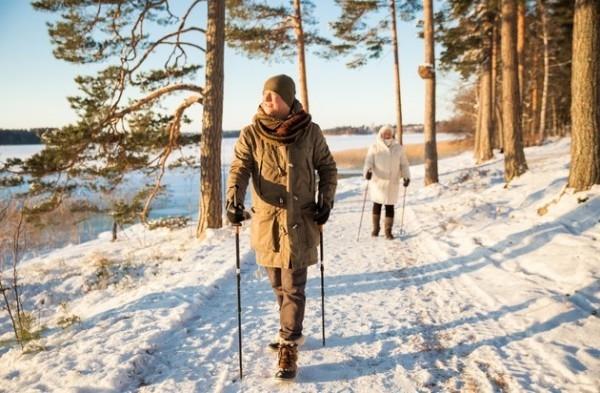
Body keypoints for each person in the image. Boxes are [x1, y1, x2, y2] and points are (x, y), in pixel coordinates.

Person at [226, 74, 337, 380]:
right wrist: (233, 201)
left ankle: (289, 343)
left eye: (273, 95)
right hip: (267, 223)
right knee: (277, 284)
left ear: (288, 99)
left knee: (294, 285)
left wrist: (325, 201)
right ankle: (288, 327)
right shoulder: (251, 133)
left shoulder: (310, 132)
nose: (267, 99)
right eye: (264, 94)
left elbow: (327, 168)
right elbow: (239, 168)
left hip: (300, 221)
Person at [363, 125, 411, 239]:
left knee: (390, 206)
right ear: (381, 134)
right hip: (378, 182)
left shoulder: (398, 148)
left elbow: (404, 164)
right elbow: (368, 162)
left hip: (392, 182)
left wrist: (406, 176)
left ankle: (388, 231)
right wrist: (367, 172)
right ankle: (376, 228)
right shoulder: (374, 147)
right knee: (377, 205)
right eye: (385, 133)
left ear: (392, 134)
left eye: (389, 133)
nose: (387, 135)